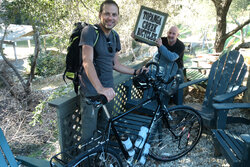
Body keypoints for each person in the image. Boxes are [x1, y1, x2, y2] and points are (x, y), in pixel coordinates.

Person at [79, 0, 147, 142]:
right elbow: (87, 61)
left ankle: (102, 159)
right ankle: (88, 162)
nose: (111, 18)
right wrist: (100, 88)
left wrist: (136, 72)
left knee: (105, 129)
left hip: (109, 92)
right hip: (92, 93)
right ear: (100, 15)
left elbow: (115, 64)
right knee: (89, 137)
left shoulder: (115, 36)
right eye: (107, 14)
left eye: (114, 15)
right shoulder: (90, 31)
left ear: (118, 17)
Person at [155, 26, 185, 105]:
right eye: (169, 33)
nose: (171, 35)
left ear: (177, 35)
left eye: (173, 34)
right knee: (155, 80)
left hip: (177, 68)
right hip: (163, 67)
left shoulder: (181, 45)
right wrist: (137, 37)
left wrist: (161, 46)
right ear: (167, 33)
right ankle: (158, 103)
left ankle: (178, 106)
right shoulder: (162, 40)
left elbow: (172, 58)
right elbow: (149, 40)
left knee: (179, 84)